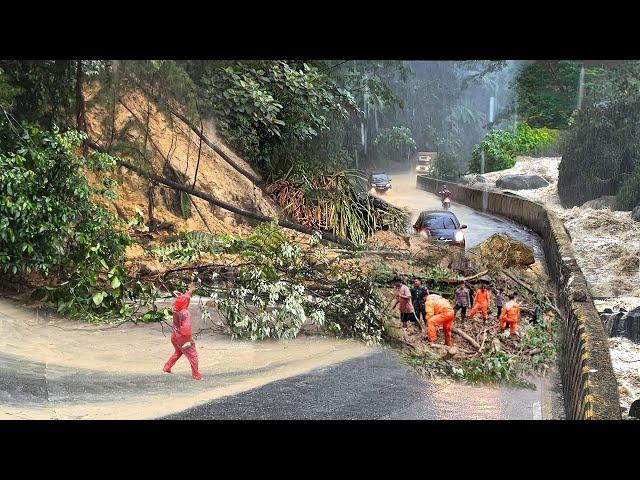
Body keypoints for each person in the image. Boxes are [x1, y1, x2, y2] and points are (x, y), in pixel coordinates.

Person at [163, 283, 204, 380]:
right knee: (193, 356)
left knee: (178, 352)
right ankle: (196, 375)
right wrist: (190, 340)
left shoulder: (175, 309)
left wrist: (190, 291)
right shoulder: (185, 313)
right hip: (182, 338)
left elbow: (183, 297)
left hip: (174, 336)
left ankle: (167, 367)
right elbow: (186, 329)